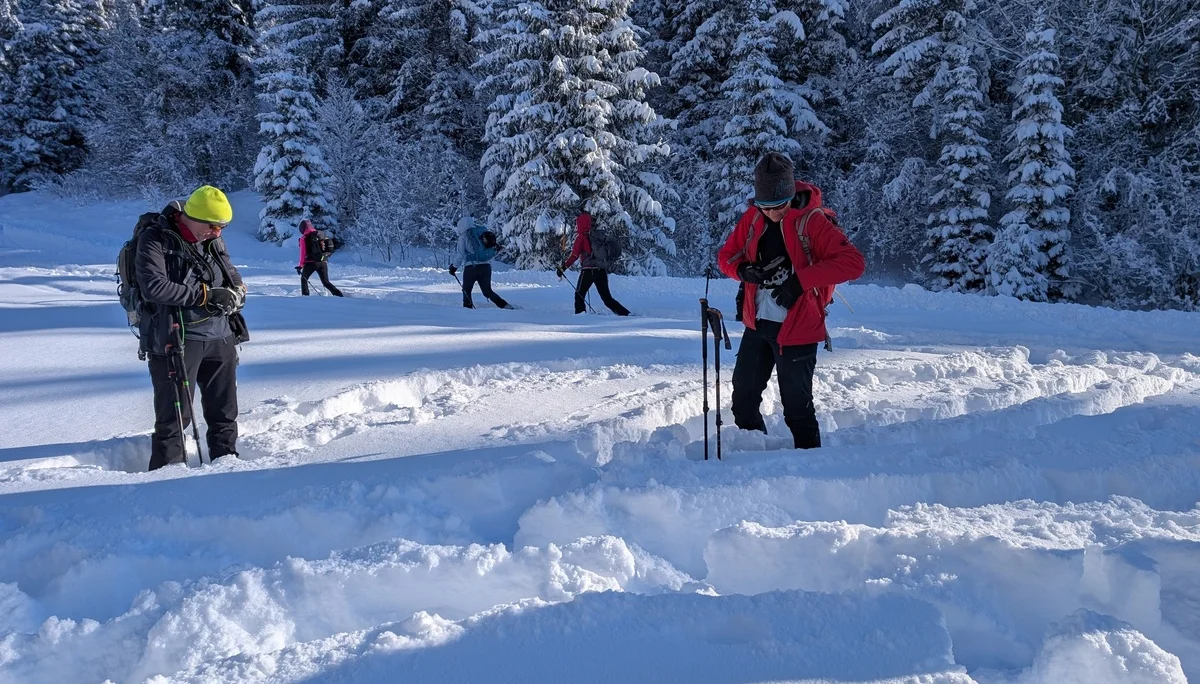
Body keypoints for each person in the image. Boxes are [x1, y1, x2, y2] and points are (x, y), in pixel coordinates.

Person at [717, 152, 865, 449]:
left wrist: (799, 283)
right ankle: (753, 454)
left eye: (779, 205)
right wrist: (743, 271)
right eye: (766, 206)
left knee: (797, 409)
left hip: (799, 327)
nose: (772, 213)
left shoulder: (812, 221)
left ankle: (809, 465)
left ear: (790, 195)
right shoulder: (753, 218)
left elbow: (853, 263)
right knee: (743, 401)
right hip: (757, 323)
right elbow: (726, 256)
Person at [135, 185, 248, 470]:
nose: (217, 232)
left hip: (221, 336)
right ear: (192, 216)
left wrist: (236, 293)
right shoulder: (155, 239)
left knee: (224, 412)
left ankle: (228, 468)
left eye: (222, 227)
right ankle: (167, 476)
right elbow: (154, 287)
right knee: (174, 418)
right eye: (212, 226)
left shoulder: (213, 242)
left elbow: (232, 275)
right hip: (176, 339)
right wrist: (206, 295)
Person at [556, 211, 630, 316]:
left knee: (579, 295)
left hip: (588, 271)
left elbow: (574, 256)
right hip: (601, 271)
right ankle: (625, 314)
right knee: (607, 298)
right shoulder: (597, 236)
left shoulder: (581, 238)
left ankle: (580, 317)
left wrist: (563, 268)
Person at [449, 216, 512, 309]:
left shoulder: (463, 237)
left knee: (466, 289)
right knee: (487, 291)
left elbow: (460, 255)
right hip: (486, 266)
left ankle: (467, 309)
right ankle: (505, 305)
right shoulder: (481, 233)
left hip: (471, 268)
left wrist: (454, 267)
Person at [296, 219, 343, 296]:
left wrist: (300, 266)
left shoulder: (304, 238)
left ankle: (305, 298)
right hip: (323, 262)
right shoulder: (319, 234)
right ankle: (339, 295)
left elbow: (303, 253)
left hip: (311, 263)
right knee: (326, 282)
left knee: (304, 279)